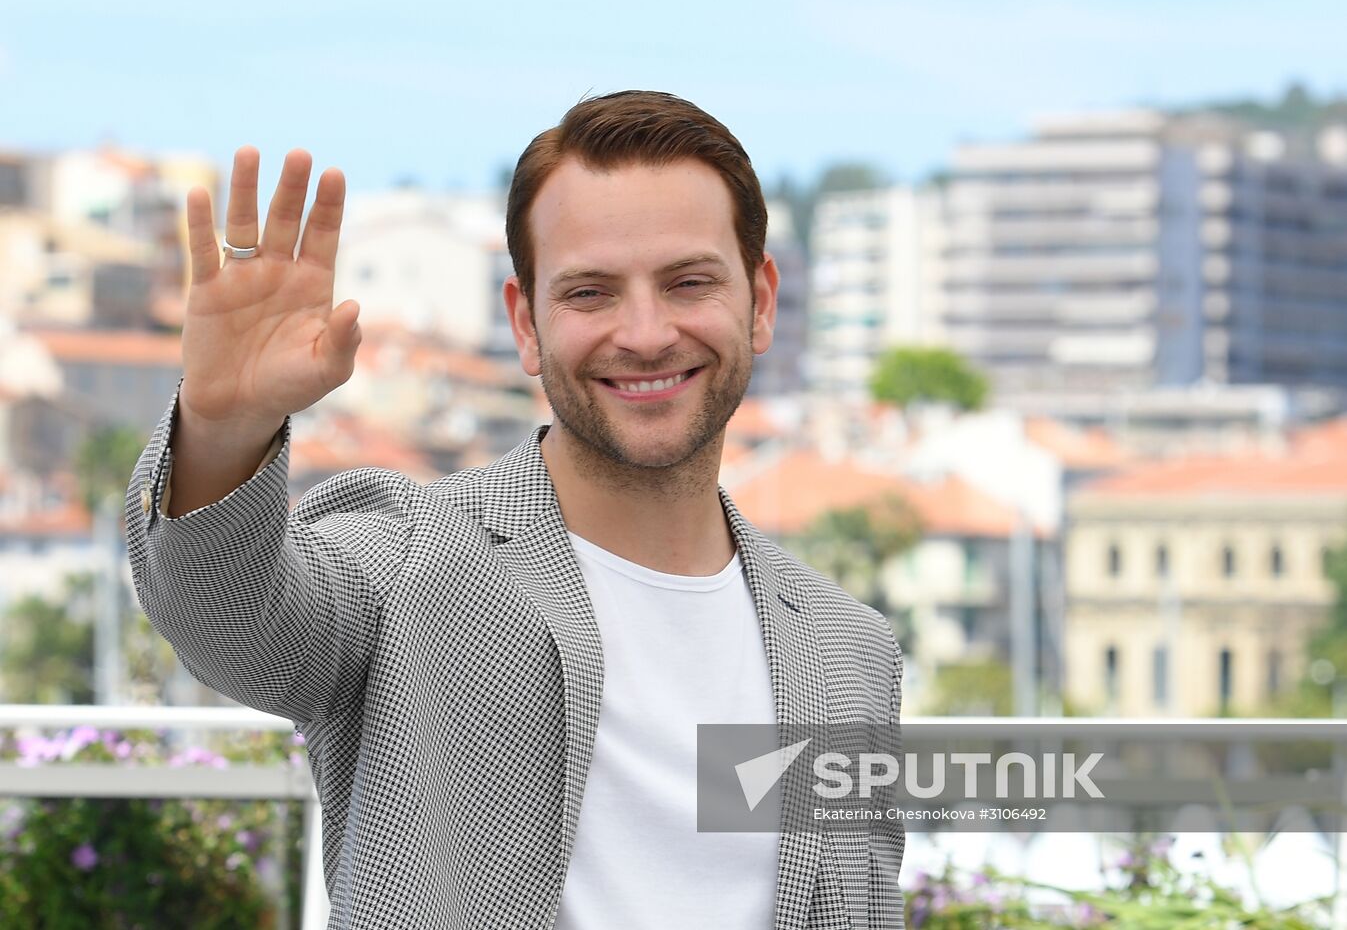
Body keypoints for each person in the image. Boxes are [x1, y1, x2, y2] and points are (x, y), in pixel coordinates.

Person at [126, 90, 904, 929]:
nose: (644, 333)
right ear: (524, 324)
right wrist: (222, 426)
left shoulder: (848, 652)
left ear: (760, 302)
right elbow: (225, 621)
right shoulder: (403, 562)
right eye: (590, 294)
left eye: (686, 282)